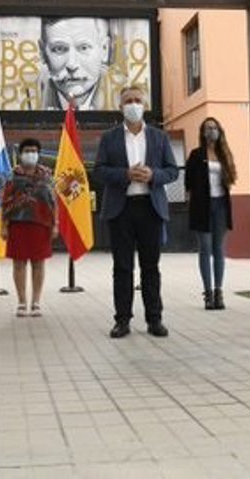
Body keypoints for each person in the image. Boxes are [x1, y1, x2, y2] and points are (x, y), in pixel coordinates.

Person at [93, 86, 178, 338]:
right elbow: (99, 171)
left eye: (137, 100)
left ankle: (154, 319)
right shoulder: (109, 138)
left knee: (150, 267)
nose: (133, 105)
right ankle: (122, 320)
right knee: (122, 268)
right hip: (121, 210)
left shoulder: (159, 137)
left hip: (151, 208)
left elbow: (172, 170)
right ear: (121, 107)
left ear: (145, 105)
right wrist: (125, 174)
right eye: (128, 101)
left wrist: (153, 175)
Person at [1, 138, 58, 317]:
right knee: (19, 264)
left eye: (34, 151)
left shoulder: (47, 175)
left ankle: (36, 302)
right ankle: (21, 302)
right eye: (27, 151)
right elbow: (5, 202)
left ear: (38, 154)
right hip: (17, 225)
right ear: (21, 154)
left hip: (41, 224)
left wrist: (55, 224)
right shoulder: (11, 176)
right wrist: (3, 226)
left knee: (38, 264)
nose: (30, 154)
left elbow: (54, 202)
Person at [184, 117, 235, 311]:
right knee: (205, 248)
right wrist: (192, 201)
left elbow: (231, 177)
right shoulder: (196, 155)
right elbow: (188, 182)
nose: (211, 131)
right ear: (203, 132)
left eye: (214, 128)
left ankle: (219, 291)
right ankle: (208, 293)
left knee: (219, 249)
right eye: (208, 128)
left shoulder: (224, 154)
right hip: (202, 205)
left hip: (221, 204)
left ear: (220, 131)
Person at [39, 17, 111, 110]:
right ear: (42, 53)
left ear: (104, 49)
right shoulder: (25, 94)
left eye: (84, 48)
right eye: (59, 49)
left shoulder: (123, 93)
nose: (71, 65)